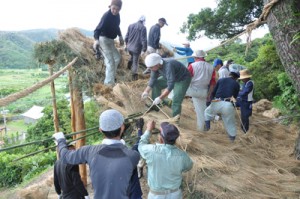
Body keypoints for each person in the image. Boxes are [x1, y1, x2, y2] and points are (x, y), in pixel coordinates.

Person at [53, 109, 140, 199]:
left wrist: (61, 140)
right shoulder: (133, 156)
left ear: (100, 130)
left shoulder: (89, 151)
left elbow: (65, 157)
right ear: (122, 127)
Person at [138, 120, 193, 199]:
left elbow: (141, 145)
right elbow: (189, 166)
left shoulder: (151, 151)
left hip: (156, 195)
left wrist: (148, 130)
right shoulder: (182, 155)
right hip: (175, 195)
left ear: (161, 138)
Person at [141, 53, 192, 118]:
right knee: (156, 84)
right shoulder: (155, 66)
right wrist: (146, 91)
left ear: (157, 64)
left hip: (182, 79)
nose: (150, 69)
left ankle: (175, 121)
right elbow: (153, 79)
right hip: (170, 77)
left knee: (176, 101)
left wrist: (160, 98)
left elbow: (170, 85)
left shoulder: (168, 65)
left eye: (151, 67)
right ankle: (156, 106)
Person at [93, 0, 124, 86]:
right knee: (110, 62)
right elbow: (97, 29)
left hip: (111, 40)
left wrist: (120, 36)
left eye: (117, 9)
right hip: (103, 39)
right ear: (110, 6)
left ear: (120, 9)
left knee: (117, 57)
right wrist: (96, 40)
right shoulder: (106, 16)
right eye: (113, 8)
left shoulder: (117, 16)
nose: (115, 11)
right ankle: (108, 85)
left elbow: (117, 27)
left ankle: (111, 77)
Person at [204, 69, 240, 142]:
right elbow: (234, 97)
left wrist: (210, 101)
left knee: (207, 113)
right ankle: (232, 140)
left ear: (230, 74)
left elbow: (213, 92)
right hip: (228, 104)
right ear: (236, 78)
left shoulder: (221, 80)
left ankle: (207, 128)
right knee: (230, 123)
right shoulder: (237, 84)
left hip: (217, 101)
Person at [185, 50, 215, 131]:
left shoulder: (192, 65)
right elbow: (212, 83)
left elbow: (186, 79)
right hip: (204, 91)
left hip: (193, 90)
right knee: (201, 111)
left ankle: (170, 101)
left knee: (177, 87)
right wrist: (209, 94)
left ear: (195, 57)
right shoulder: (211, 67)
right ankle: (202, 129)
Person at [125, 15, 147, 81]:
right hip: (136, 48)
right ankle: (134, 76)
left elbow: (126, 37)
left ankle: (128, 66)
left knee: (132, 56)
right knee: (135, 62)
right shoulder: (143, 28)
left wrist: (126, 44)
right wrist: (144, 49)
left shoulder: (131, 25)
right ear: (143, 21)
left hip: (129, 47)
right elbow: (144, 40)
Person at [236, 69, 254, 133]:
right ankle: (242, 129)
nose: (242, 80)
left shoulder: (250, 83)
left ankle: (245, 131)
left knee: (245, 116)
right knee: (242, 116)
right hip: (242, 100)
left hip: (247, 102)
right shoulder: (245, 83)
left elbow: (245, 92)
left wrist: (237, 94)